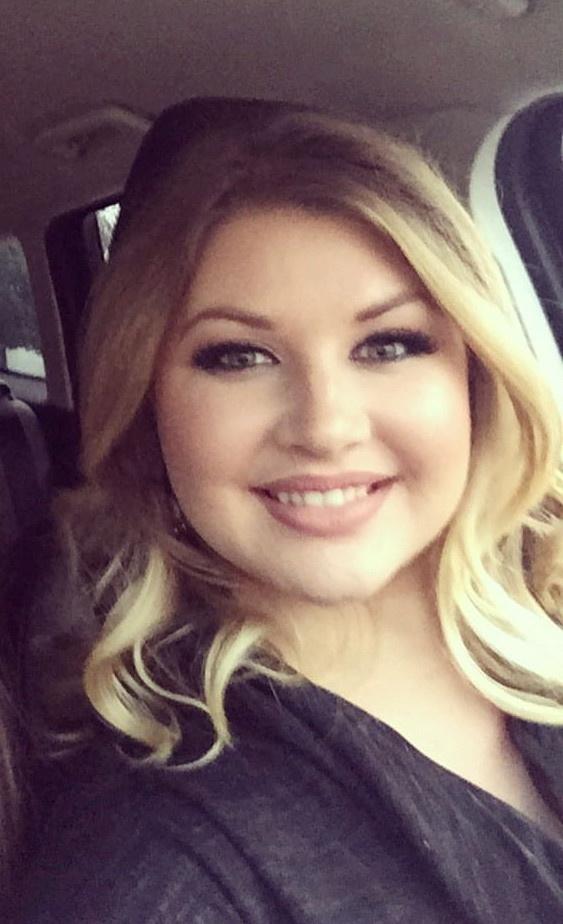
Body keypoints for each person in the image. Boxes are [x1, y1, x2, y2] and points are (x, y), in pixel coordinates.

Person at [17, 97, 563, 923]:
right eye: (238, 356)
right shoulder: (153, 871)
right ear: (151, 416)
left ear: (474, 379)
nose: (324, 426)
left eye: (388, 344)